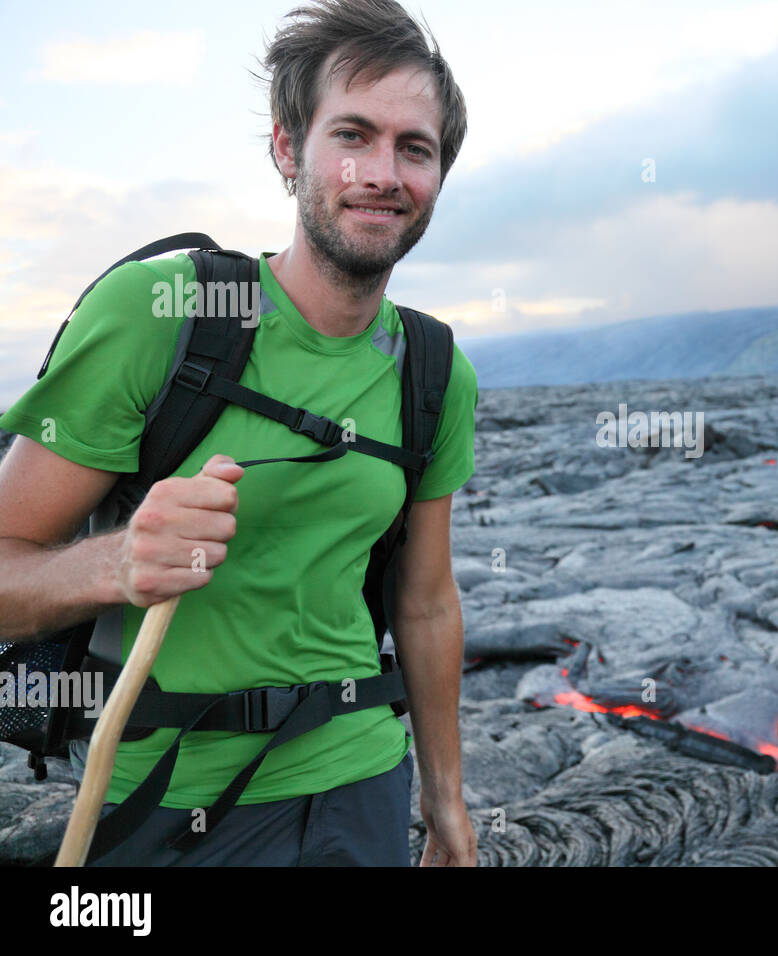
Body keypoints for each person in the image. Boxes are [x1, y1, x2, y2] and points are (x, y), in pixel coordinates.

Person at [0, 0, 478, 866]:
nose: (384, 172)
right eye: (352, 135)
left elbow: (427, 600)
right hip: (167, 794)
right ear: (289, 149)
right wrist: (114, 564)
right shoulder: (161, 313)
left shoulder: (433, 369)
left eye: (417, 148)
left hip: (363, 785)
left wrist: (445, 802)